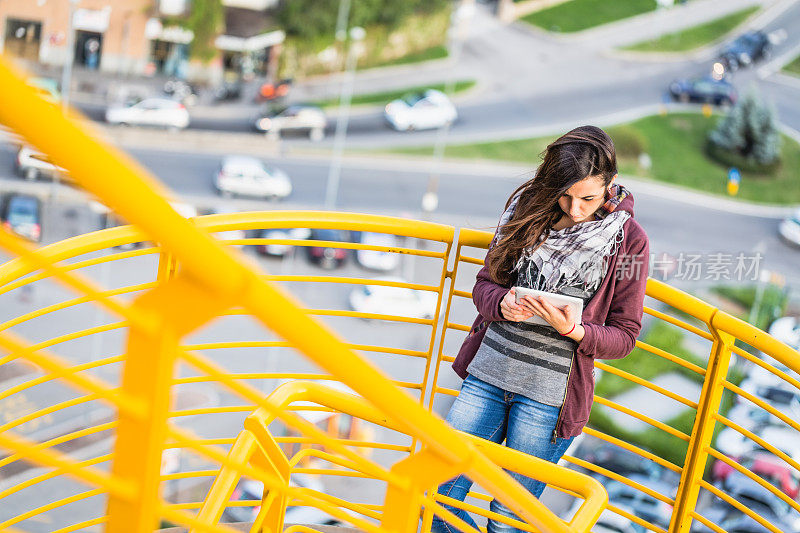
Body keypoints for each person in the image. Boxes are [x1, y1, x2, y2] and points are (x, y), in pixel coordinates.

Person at [431, 125, 650, 533]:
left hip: (549, 402)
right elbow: (484, 284)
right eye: (564, 195)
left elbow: (625, 335)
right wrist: (501, 302)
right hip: (488, 377)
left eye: (588, 197)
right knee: (435, 492)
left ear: (611, 184)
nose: (575, 208)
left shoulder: (629, 241)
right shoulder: (530, 210)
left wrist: (578, 331)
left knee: (510, 519)